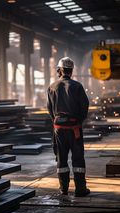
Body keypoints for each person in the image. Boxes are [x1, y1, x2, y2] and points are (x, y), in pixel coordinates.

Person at [47, 56, 90, 197]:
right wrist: (78, 121)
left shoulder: (52, 87)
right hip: (75, 129)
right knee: (78, 159)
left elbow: (50, 109)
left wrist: (57, 121)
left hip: (59, 130)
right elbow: (84, 107)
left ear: (59, 70)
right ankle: (80, 189)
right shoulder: (77, 86)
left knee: (61, 159)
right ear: (71, 71)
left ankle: (63, 189)